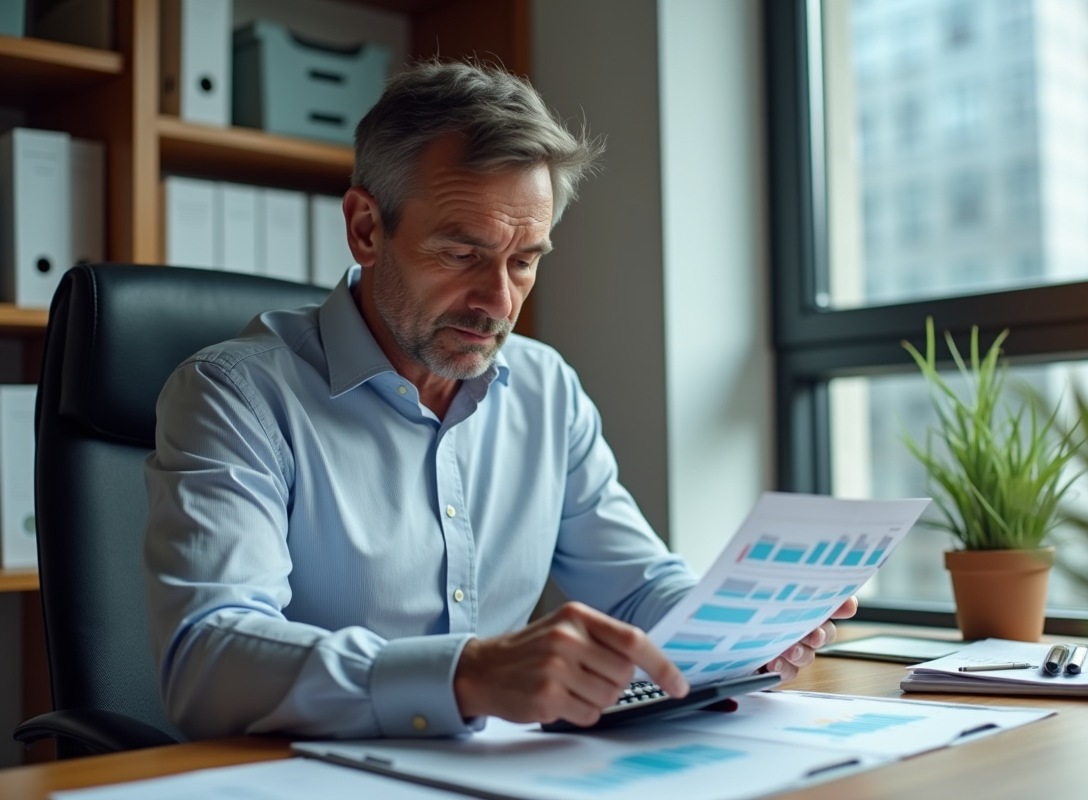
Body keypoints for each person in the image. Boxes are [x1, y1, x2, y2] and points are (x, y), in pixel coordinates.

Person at [143, 60, 856, 741]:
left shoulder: (545, 388)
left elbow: (637, 590)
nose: (498, 302)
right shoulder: (235, 396)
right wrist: (466, 676)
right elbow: (209, 658)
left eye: (525, 261)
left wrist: (739, 632)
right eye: (461, 255)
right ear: (366, 229)